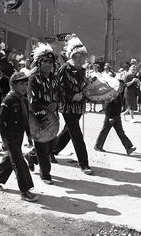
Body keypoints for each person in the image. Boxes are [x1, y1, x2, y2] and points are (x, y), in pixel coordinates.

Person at [0, 72, 39, 202]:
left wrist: (29, 135)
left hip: (19, 135)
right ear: (13, 85)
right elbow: (1, 122)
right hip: (10, 137)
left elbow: (25, 119)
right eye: (21, 84)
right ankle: (25, 190)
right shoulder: (8, 100)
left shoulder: (22, 99)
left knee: (9, 159)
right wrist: (5, 140)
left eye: (25, 84)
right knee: (19, 162)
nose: (24, 87)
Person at [52, 34, 93, 175]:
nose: (84, 58)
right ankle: (84, 163)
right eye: (82, 56)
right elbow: (58, 88)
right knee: (76, 135)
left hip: (78, 106)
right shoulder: (64, 69)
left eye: (84, 56)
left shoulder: (82, 70)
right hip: (67, 106)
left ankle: (50, 151)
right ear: (74, 56)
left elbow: (81, 86)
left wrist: (87, 87)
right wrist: (71, 96)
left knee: (67, 133)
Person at [26, 43, 59, 185]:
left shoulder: (53, 78)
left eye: (50, 62)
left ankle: (31, 156)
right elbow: (33, 101)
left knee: (51, 145)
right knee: (41, 144)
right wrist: (44, 112)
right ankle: (45, 174)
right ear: (39, 63)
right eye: (45, 61)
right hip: (37, 116)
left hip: (52, 116)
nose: (48, 64)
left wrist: (56, 104)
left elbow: (58, 95)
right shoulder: (33, 79)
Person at [94, 81, 136, 155]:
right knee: (104, 132)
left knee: (121, 133)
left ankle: (128, 148)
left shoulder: (118, 94)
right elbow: (107, 106)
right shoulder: (112, 94)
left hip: (117, 116)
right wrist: (110, 117)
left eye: (122, 87)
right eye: (120, 86)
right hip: (110, 117)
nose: (122, 88)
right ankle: (98, 146)